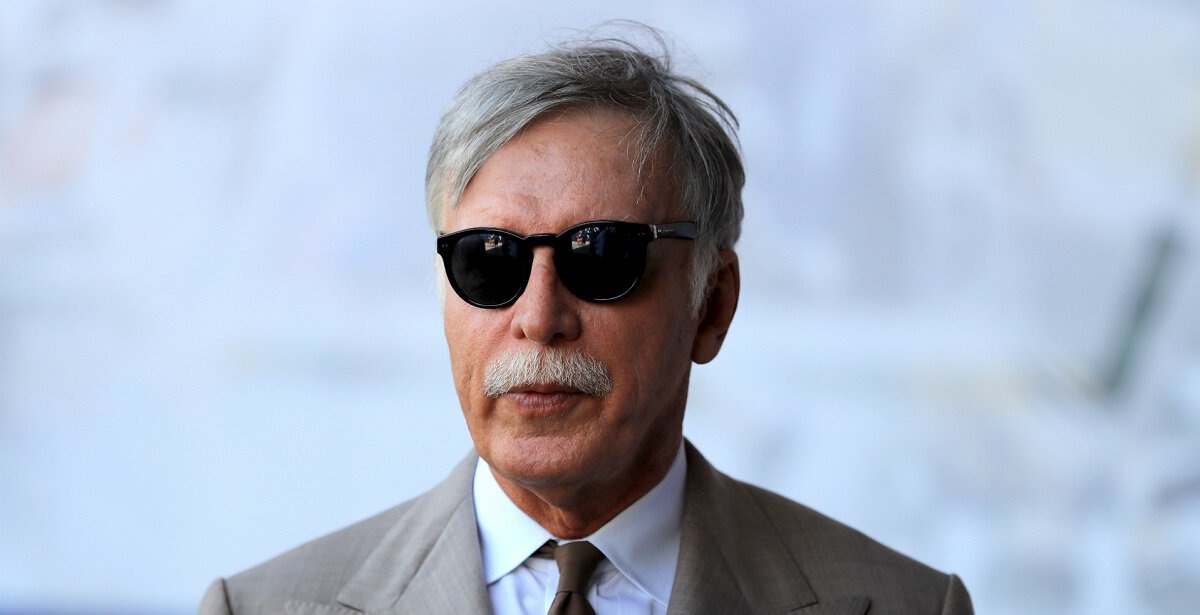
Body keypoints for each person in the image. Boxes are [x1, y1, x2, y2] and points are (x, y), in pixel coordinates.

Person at [200, 30, 973, 615]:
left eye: (602, 256)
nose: (539, 317)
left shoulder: (906, 605)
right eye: (487, 261)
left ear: (712, 304)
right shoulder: (257, 608)